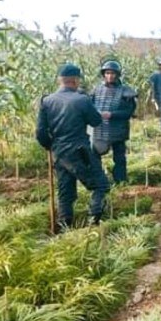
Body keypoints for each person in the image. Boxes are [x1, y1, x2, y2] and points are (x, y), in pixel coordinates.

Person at [36, 63, 110, 232]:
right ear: (76, 81)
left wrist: (51, 146)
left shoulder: (46, 101)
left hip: (59, 153)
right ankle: (94, 221)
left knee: (65, 190)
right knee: (100, 185)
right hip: (79, 151)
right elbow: (96, 121)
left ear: (60, 81)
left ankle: (64, 226)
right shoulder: (82, 100)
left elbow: (40, 132)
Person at [91, 58, 138, 185]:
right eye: (107, 73)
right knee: (95, 157)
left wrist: (112, 114)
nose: (110, 76)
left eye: (112, 73)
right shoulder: (96, 90)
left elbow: (128, 112)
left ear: (117, 74)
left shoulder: (126, 91)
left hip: (118, 130)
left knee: (119, 159)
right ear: (103, 74)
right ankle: (99, 181)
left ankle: (120, 181)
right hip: (99, 129)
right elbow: (89, 107)